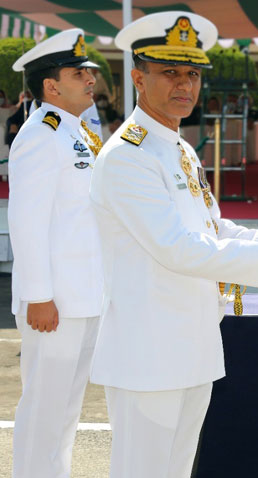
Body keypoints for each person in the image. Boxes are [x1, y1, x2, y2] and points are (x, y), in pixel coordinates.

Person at [89, 12, 258, 477]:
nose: (185, 84)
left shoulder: (179, 148)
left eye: (192, 74)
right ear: (138, 78)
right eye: (169, 72)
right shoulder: (126, 157)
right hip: (148, 349)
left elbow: (213, 229)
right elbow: (178, 248)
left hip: (191, 342)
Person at [7, 29, 103, 478]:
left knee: (66, 409)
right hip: (56, 301)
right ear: (51, 85)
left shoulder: (77, 131)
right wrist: (38, 296)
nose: (90, 79)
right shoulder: (40, 135)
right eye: (78, 71)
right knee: (44, 408)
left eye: (89, 71)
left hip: (84, 296)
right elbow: (26, 223)